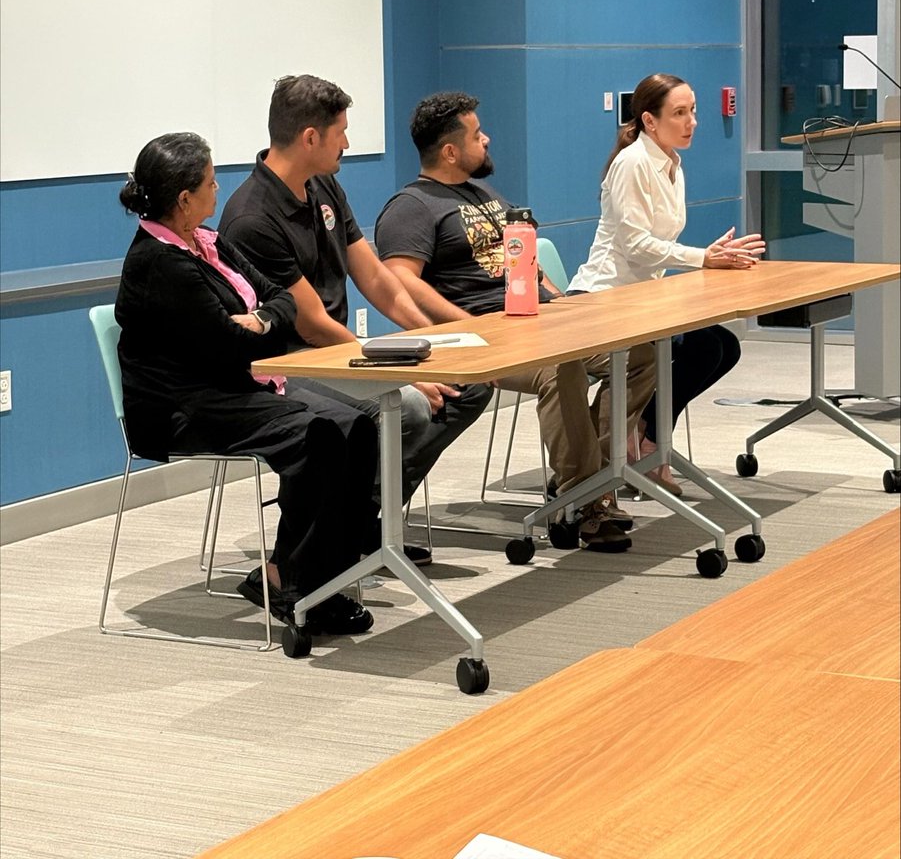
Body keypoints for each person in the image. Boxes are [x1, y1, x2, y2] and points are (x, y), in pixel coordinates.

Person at [218, 75, 492, 566]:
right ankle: (349, 529)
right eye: (341, 132)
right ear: (311, 138)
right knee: (405, 407)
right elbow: (311, 323)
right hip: (289, 361)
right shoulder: (252, 218)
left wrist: (430, 338)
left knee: (467, 382)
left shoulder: (323, 184)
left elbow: (375, 277)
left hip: (335, 352)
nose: (347, 143)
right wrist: (393, 373)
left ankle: (364, 518)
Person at [115, 132, 376, 635]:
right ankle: (296, 584)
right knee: (319, 436)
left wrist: (259, 319)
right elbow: (234, 347)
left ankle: (318, 572)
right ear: (184, 199)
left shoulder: (208, 241)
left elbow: (282, 298)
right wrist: (263, 326)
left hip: (234, 386)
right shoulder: (160, 263)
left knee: (356, 425)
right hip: (183, 408)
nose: (219, 189)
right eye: (211, 183)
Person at [373, 92, 658, 553]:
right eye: (476, 134)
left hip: (540, 320)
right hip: (488, 336)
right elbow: (400, 280)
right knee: (561, 368)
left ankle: (591, 479)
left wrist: (563, 304)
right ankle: (588, 503)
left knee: (639, 356)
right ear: (450, 151)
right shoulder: (412, 206)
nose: (486, 139)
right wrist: (470, 326)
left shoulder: (485, 194)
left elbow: (526, 260)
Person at [567, 73, 766, 496]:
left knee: (722, 345)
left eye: (693, 111)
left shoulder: (672, 163)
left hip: (641, 301)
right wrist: (703, 258)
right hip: (601, 299)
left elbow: (658, 244)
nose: (691, 121)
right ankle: (637, 447)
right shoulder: (633, 163)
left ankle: (649, 436)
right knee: (702, 348)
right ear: (649, 121)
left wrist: (710, 256)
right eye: (679, 113)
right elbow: (636, 246)